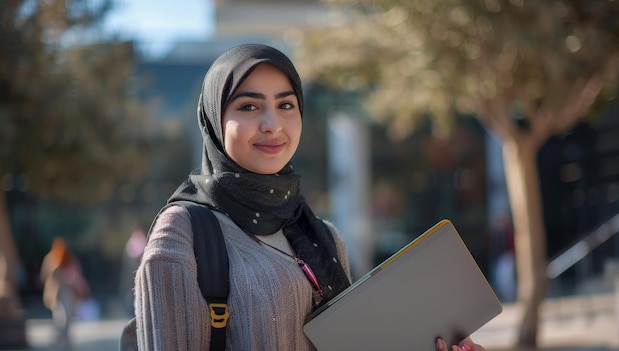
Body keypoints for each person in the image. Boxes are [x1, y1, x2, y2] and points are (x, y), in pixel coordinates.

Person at [133, 43, 487, 351]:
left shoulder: (321, 236)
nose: (272, 123)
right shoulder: (181, 236)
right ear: (213, 120)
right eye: (248, 107)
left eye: (286, 105)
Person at [40, 236, 90, 349]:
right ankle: (56, 338)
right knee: (60, 318)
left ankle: (65, 340)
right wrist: (55, 269)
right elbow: (45, 276)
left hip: (69, 292)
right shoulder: (50, 259)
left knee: (69, 317)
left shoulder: (70, 259)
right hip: (56, 294)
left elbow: (77, 274)